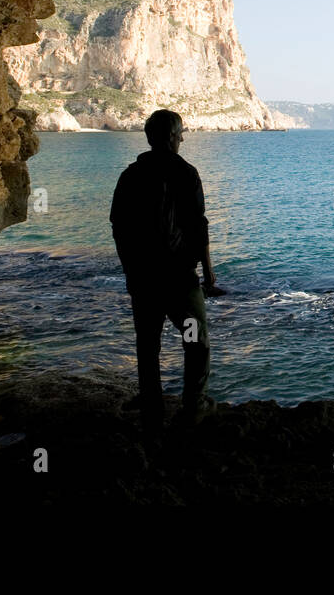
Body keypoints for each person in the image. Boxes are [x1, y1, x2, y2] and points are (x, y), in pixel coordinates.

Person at [110, 109, 225, 430]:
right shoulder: (185, 172)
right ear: (173, 138)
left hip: (143, 278)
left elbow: (119, 226)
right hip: (178, 278)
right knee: (195, 341)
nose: (184, 138)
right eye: (181, 133)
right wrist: (208, 270)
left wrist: (129, 269)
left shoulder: (131, 174)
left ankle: (152, 409)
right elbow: (197, 225)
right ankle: (194, 406)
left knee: (148, 345)